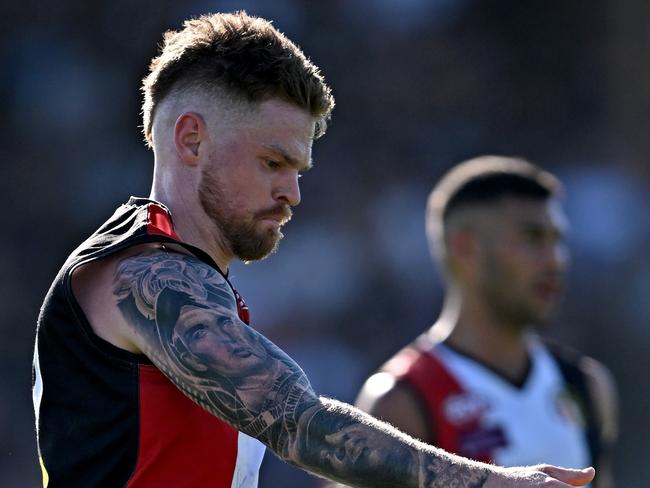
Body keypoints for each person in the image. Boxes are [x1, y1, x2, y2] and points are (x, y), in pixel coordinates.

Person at [32, 12, 596, 487]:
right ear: (191, 139)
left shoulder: (184, 276)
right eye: (273, 163)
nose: (293, 193)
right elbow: (301, 423)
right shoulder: (143, 274)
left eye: (298, 170)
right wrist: (491, 482)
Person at [355, 156, 617, 487]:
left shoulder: (585, 385)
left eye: (557, 240)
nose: (555, 260)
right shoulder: (402, 400)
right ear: (465, 248)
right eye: (533, 238)